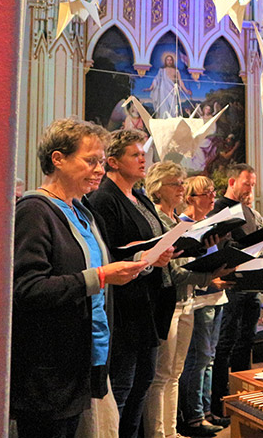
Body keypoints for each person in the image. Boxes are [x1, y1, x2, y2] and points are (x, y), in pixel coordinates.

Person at [11, 119, 148, 438]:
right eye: (91, 161)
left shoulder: (83, 211)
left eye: (102, 161)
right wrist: (100, 276)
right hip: (50, 369)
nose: (100, 169)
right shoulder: (35, 211)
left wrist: (134, 264)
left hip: (88, 358)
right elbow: (28, 289)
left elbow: (95, 269)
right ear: (57, 159)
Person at [86, 129, 178, 438]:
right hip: (124, 306)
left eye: (144, 154)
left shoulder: (139, 196)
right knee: (122, 388)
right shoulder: (103, 198)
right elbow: (105, 250)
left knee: (144, 381)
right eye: (135, 155)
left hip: (148, 302)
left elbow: (151, 238)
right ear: (112, 161)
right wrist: (145, 255)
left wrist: (163, 251)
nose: (143, 159)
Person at [145, 162, 229, 438]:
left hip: (187, 300)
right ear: (158, 188)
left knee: (175, 372)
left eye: (183, 183)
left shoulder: (177, 221)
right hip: (168, 301)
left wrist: (212, 270)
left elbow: (185, 267)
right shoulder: (159, 220)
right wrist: (207, 274)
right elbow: (172, 270)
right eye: (176, 184)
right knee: (162, 375)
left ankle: (170, 431)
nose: (182, 188)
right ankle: (159, 433)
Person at [209, 163, 263, 422]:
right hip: (229, 282)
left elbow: (251, 241)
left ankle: (244, 398)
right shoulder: (219, 208)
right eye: (246, 183)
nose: (250, 188)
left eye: (253, 184)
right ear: (232, 182)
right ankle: (220, 403)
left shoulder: (248, 211)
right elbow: (224, 244)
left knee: (247, 341)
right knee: (225, 344)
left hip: (251, 280)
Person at [178, 176, 229, 436]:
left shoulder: (209, 224)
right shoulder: (184, 225)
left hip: (216, 295)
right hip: (198, 297)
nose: (212, 197)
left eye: (212, 192)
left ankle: (207, 410)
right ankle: (194, 416)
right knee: (197, 359)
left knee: (209, 358)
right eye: (206, 193)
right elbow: (187, 266)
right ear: (190, 198)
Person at [146, 51, 192, 118]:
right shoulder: (161, 71)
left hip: (172, 91)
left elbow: (180, 81)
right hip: (163, 92)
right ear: (165, 61)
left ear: (172, 61)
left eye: (171, 60)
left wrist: (186, 90)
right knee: (163, 107)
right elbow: (156, 80)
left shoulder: (176, 71)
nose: (169, 61)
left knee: (173, 108)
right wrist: (150, 88)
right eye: (168, 60)